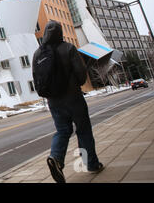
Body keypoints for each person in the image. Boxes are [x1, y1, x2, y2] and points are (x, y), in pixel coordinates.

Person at [33, 20, 104, 183]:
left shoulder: (37, 54)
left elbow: (36, 79)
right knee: (83, 129)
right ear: (60, 32)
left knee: (62, 131)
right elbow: (81, 74)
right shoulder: (68, 48)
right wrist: (75, 83)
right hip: (73, 98)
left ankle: (56, 157)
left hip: (53, 101)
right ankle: (91, 164)